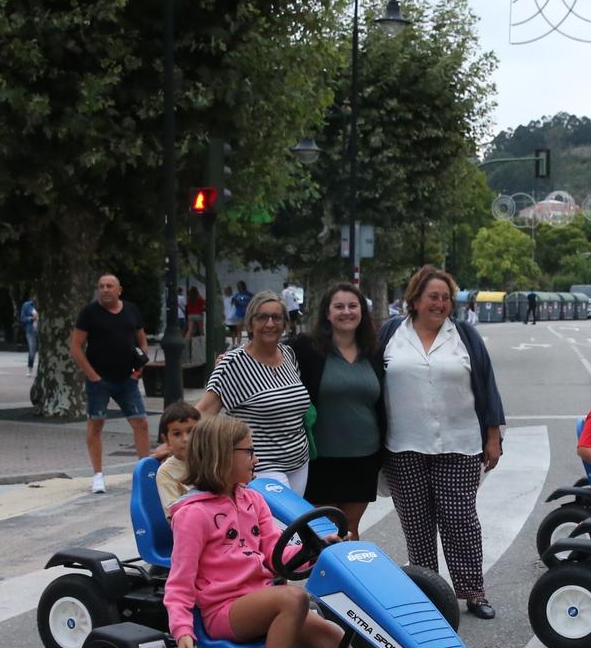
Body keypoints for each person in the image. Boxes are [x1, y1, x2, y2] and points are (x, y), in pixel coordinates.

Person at [164, 416, 437, 648]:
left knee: (330, 633)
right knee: (294, 597)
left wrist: (316, 548)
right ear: (222, 455)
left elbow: (274, 554)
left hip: (262, 601)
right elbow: (179, 581)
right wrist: (182, 631)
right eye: (249, 452)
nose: (257, 459)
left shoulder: (251, 499)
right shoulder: (193, 514)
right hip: (224, 611)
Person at [380, 265, 506, 620]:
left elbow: (487, 384)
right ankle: (428, 593)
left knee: (459, 519)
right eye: (433, 297)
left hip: (460, 442)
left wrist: (493, 436)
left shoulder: (464, 335)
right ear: (415, 300)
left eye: (446, 298)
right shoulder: (391, 333)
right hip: (403, 445)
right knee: (416, 523)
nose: (440, 303)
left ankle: (473, 592)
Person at [291, 282, 386, 529]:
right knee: (323, 529)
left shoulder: (374, 350)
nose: (347, 312)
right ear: (327, 313)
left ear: (362, 312)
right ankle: (318, 569)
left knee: (351, 528)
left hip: (364, 457)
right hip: (321, 458)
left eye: (353, 306)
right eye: (339, 306)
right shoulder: (305, 348)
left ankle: (351, 569)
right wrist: (234, 357)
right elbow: (268, 355)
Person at [199, 291, 312, 490]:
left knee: (290, 522)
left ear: (285, 323)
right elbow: (203, 412)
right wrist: (176, 444)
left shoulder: (288, 354)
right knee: (276, 522)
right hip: (261, 466)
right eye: (262, 317)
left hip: (299, 463)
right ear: (250, 323)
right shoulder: (232, 364)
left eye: (276, 317)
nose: (270, 323)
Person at [69, 272, 151, 495]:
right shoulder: (89, 313)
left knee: (140, 423)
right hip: (99, 381)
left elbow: (142, 342)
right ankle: (97, 475)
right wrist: (92, 375)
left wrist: (138, 370)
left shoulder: (131, 310)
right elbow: (76, 347)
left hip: (127, 379)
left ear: (119, 290)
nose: (105, 290)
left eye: (109, 286)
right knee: (96, 424)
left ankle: (144, 472)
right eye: (101, 286)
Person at [154, 401, 199, 510]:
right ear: (166, 440)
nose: (185, 439)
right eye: (177, 434)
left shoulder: (211, 460)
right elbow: (174, 513)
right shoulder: (166, 472)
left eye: (191, 431)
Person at [227, 280, 250, 345]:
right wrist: (234, 301)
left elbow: (253, 302)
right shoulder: (236, 295)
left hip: (247, 315)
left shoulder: (249, 294)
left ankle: (250, 343)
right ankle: (238, 344)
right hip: (238, 314)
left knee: (249, 329)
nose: (238, 288)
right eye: (238, 286)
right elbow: (232, 304)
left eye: (240, 286)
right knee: (238, 330)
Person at [19, 293, 39, 370]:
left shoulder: (45, 305)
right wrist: (31, 318)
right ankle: (30, 367)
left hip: (41, 331)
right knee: (32, 350)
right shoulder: (27, 305)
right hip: (31, 331)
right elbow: (22, 318)